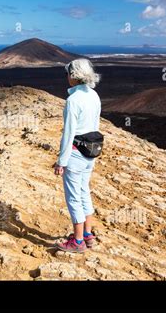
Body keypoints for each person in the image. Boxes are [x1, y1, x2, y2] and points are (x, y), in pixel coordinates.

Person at [54, 58, 101, 253]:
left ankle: (78, 242)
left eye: (67, 74)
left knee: (73, 197)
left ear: (73, 76)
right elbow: (95, 126)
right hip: (91, 151)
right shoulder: (94, 95)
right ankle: (88, 235)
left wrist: (61, 162)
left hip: (75, 154)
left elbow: (68, 133)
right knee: (83, 192)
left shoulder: (73, 100)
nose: (66, 77)